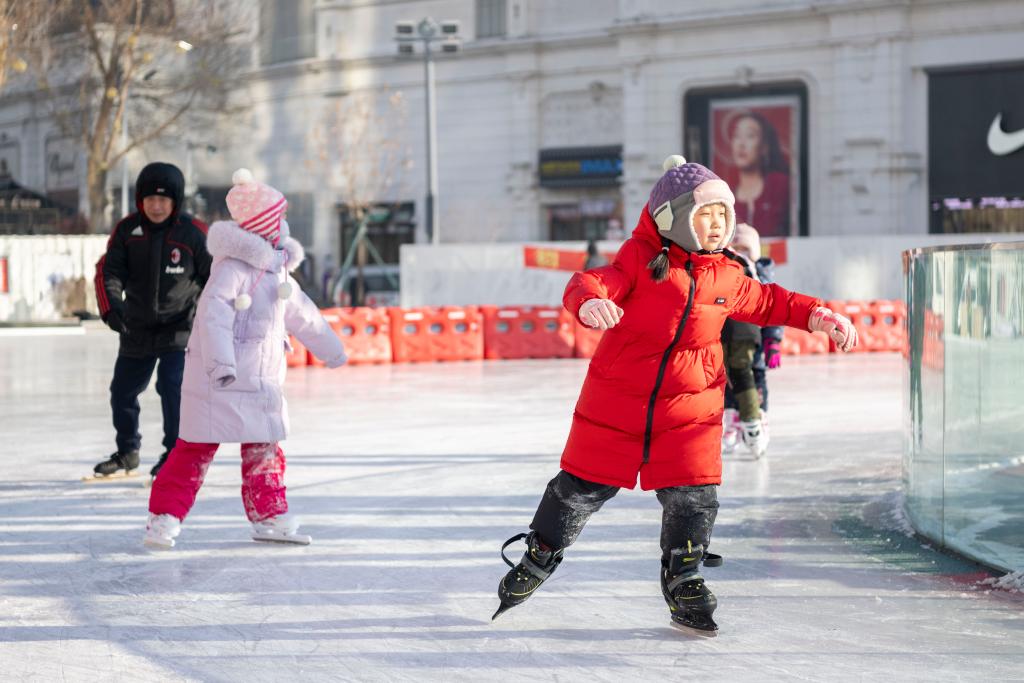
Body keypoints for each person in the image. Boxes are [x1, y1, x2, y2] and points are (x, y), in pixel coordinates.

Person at [493, 155, 857, 635]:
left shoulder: (727, 275)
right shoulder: (642, 260)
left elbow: (771, 302)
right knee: (581, 485)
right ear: (672, 218)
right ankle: (542, 549)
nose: (717, 225)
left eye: (724, 215)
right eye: (706, 215)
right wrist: (590, 301)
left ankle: (684, 573)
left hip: (692, 403)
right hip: (619, 397)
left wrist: (819, 316)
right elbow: (593, 280)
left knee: (694, 494)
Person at [143, 169, 347, 549]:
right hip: (218, 379)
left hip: (260, 383)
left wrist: (332, 350)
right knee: (193, 450)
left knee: (265, 451)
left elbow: (304, 314)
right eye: (279, 219)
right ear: (265, 226)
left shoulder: (277, 272)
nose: (284, 226)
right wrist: (221, 365)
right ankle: (164, 518)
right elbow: (213, 318)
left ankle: (268, 516)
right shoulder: (232, 270)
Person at [93, 162, 211, 479]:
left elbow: (216, 278)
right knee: (122, 391)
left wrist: (213, 318)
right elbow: (109, 271)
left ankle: (174, 454)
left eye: (163, 200)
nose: (156, 206)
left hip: (180, 328)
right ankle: (128, 452)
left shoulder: (194, 233)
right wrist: (112, 309)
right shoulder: (127, 230)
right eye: (149, 200)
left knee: (171, 386)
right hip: (137, 327)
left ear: (175, 202)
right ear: (139, 201)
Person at [720, 223, 783, 457]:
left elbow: (774, 308)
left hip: (753, 336)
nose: (740, 253)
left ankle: (759, 417)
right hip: (730, 334)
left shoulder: (760, 275)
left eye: (745, 248)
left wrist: (773, 342)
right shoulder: (726, 271)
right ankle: (733, 419)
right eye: (736, 247)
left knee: (755, 379)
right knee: (730, 379)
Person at [728, 111, 791, 238]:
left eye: (750, 136)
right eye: (736, 136)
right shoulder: (725, 194)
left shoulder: (780, 184)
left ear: (764, 146)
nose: (741, 144)